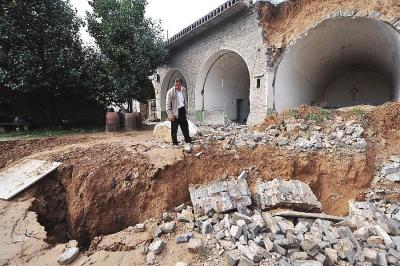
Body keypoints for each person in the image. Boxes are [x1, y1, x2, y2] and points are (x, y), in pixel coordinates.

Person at [166, 78, 192, 146]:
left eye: (178, 85)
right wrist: (170, 114)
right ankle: (175, 143)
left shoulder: (184, 90)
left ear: (181, 85)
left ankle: (187, 140)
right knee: (174, 129)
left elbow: (185, 100)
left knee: (185, 126)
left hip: (182, 110)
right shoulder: (170, 92)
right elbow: (168, 105)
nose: (177, 87)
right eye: (176, 85)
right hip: (175, 112)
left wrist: (187, 109)